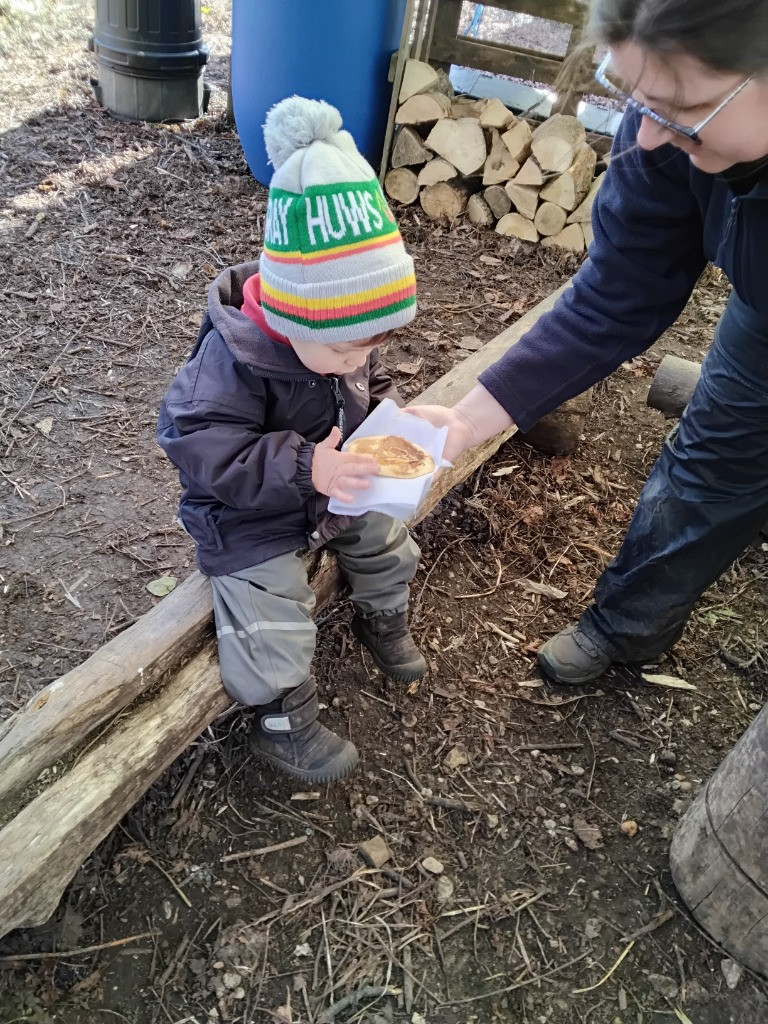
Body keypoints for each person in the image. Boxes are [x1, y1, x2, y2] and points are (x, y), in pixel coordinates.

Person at [409, 0, 768, 685]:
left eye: (679, 105)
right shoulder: (664, 127)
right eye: (635, 97)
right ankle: (627, 627)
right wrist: (466, 420)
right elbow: (618, 292)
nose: (651, 138)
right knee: (714, 460)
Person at [157, 96, 425, 784]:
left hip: (328, 487)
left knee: (388, 539)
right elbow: (201, 448)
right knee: (269, 610)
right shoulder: (231, 364)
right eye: (342, 352)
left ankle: (383, 617)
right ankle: (282, 716)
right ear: (289, 311)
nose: (352, 363)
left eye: (365, 349)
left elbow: (363, 376)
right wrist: (309, 467)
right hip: (249, 515)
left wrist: (388, 419)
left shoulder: (333, 336)